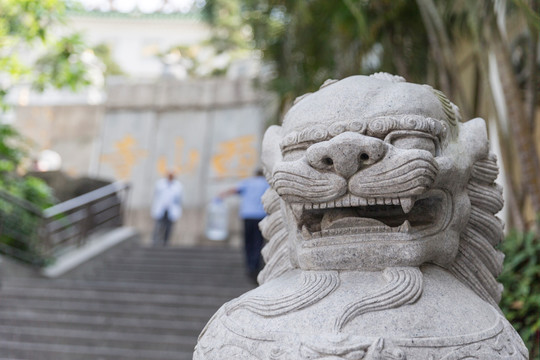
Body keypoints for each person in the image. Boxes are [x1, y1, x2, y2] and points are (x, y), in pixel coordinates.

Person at [220, 169, 269, 281]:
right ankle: (255, 264)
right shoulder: (266, 184)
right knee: (257, 242)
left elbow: (234, 190)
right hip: (260, 216)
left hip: (247, 215)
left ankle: (249, 264)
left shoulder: (248, 182)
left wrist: (222, 195)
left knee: (248, 241)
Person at [151, 171, 183, 246]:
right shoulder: (160, 184)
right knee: (158, 226)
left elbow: (180, 200)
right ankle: (155, 242)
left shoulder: (178, 186)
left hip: (171, 210)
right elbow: (156, 197)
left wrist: (178, 211)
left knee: (168, 228)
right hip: (161, 209)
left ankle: (165, 242)